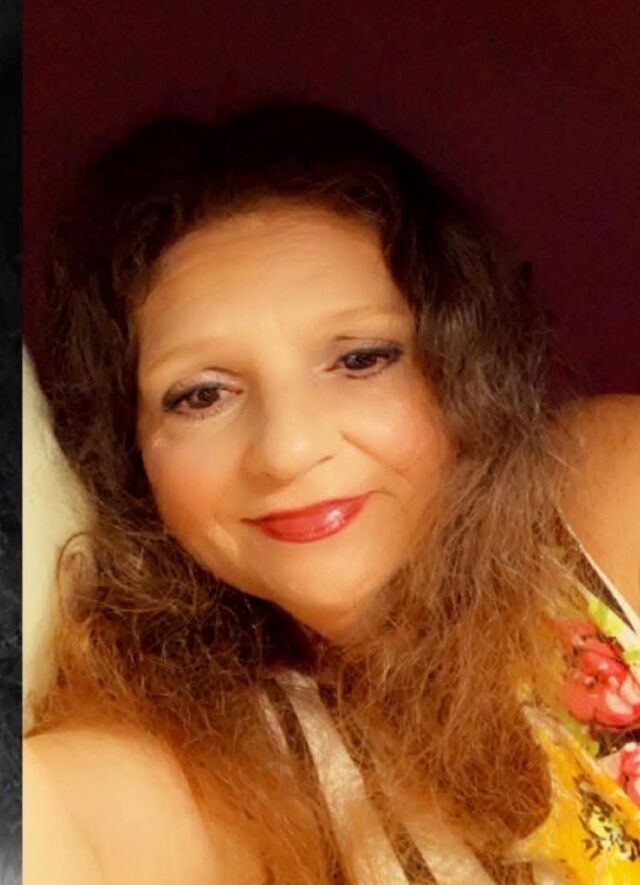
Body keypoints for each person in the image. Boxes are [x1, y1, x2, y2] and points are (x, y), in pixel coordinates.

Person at [23, 99, 640, 884]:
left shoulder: (604, 493)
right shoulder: (208, 760)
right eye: (201, 395)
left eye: (360, 360)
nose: (287, 449)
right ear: (132, 452)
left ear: (465, 365)